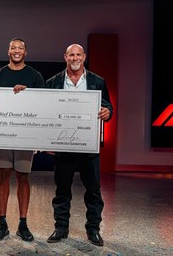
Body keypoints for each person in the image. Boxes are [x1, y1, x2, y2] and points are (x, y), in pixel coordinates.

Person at [45, 44, 113, 246]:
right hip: (63, 145)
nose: (75, 58)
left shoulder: (97, 81)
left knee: (93, 191)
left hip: (88, 145)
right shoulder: (53, 82)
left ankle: (93, 230)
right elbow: (46, 110)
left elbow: (108, 104)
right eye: (71, 55)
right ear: (65, 57)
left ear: (84, 57)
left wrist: (107, 112)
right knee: (62, 191)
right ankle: (61, 228)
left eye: (78, 55)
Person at [0, 38, 45, 242]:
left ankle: (23, 224)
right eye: (13, 48)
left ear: (26, 52)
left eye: (20, 48)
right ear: (8, 51)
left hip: (25, 137)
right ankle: (2, 223)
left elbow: (43, 104)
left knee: (23, 177)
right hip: (3, 136)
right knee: (3, 176)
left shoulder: (34, 76)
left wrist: (27, 94)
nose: (16, 51)